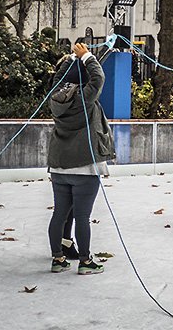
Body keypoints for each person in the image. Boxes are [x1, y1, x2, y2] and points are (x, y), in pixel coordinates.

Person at [47, 42, 115, 275]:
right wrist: (86, 56)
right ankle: (85, 261)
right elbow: (98, 78)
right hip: (84, 167)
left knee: (59, 214)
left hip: (59, 167)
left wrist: (70, 59)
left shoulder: (55, 96)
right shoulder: (84, 98)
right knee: (82, 217)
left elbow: (58, 79)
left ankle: (58, 259)